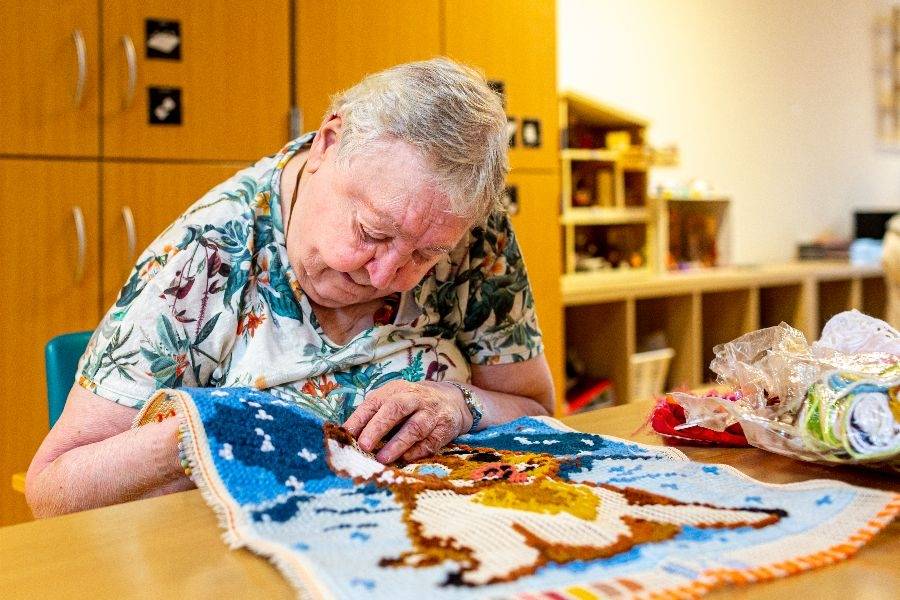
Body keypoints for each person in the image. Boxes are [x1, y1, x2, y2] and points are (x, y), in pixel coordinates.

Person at [25, 58, 554, 517]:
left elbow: (534, 408)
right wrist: (204, 434)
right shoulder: (204, 256)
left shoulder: (469, 233)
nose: (384, 275)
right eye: (372, 233)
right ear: (328, 142)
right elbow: (51, 489)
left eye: (425, 255)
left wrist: (457, 403)